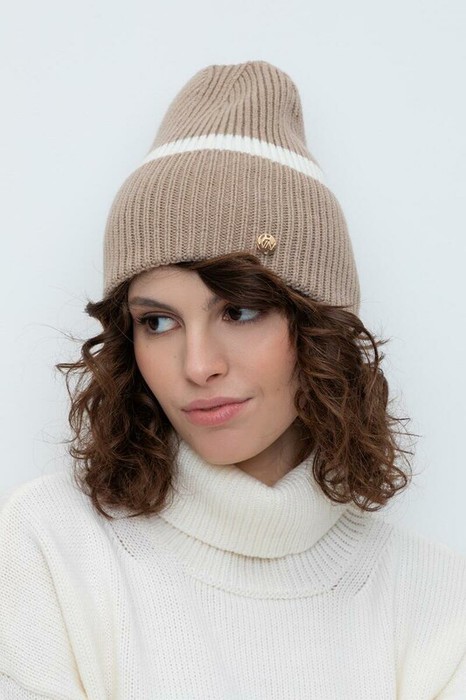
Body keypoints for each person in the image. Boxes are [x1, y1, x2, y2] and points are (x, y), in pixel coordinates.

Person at [0, 60, 465, 699]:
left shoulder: (437, 605)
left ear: (319, 328)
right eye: (158, 322)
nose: (198, 366)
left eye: (240, 311)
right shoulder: (51, 547)